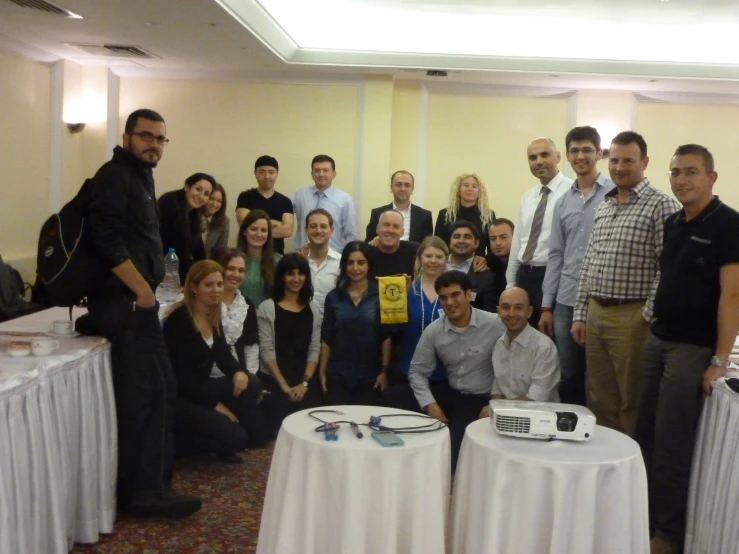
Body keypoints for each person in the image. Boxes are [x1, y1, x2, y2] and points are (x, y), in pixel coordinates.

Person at [84, 108, 200, 517]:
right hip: (127, 305)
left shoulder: (140, 177)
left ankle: (147, 488)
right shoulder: (114, 176)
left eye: (160, 138)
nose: (154, 144)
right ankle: (145, 493)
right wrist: (142, 293)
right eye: (146, 136)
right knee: (150, 396)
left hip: (136, 302)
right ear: (128, 136)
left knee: (156, 394)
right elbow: (108, 241)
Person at [634, 144, 739, 554]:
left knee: (672, 445)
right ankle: (640, 517)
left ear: (711, 177)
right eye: (675, 172)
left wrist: (718, 359)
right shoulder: (674, 221)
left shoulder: (729, 224)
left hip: (693, 349)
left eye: (691, 172)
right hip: (658, 339)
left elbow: (732, 296)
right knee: (644, 434)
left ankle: (668, 536)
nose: (681, 179)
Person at [571, 131, 680, 438]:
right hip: (596, 314)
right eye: (615, 160)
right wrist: (581, 313)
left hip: (632, 316)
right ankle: (604, 464)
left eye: (628, 160)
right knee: (599, 396)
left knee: (631, 400)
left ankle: (628, 470)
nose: (619, 167)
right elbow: (589, 262)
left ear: (644, 162)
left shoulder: (661, 205)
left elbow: (666, 268)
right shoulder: (604, 206)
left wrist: (644, 316)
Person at [163, 261, 271, 462]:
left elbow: (224, 357)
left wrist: (239, 371)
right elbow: (181, 378)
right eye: (209, 285)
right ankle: (178, 442)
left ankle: (221, 431)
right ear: (194, 287)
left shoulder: (212, 315)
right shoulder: (179, 321)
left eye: (219, 284)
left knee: (251, 382)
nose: (216, 290)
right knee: (237, 440)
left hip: (202, 389)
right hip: (181, 397)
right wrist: (215, 405)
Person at [539, 126, 615, 406]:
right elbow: (556, 255)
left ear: (599, 153)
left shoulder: (615, 194)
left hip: (601, 301)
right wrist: (547, 306)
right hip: (566, 301)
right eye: (574, 150)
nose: (580, 156)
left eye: (586, 149)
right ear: (567, 156)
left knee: (599, 376)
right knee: (568, 374)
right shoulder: (562, 202)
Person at [409, 270, 505, 469]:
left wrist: (496, 403)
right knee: (396, 401)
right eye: (443, 297)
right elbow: (417, 371)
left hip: (485, 397)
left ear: (468, 295)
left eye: (455, 295)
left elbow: (511, 366)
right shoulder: (434, 331)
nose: (450, 302)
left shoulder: (495, 324)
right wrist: (430, 405)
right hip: (452, 393)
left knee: (456, 452)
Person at [506, 138, 573, 328]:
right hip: (524, 275)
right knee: (522, 336)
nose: (539, 161)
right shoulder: (528, 196)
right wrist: (511, 283)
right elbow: (518, 242)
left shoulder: (572, 192)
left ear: (558, 156)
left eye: (545, 155)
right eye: (532, 157)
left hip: (554, 277)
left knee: (550, 337)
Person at [319, 241, 391, 406]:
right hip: (338, 374)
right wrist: (322, 373)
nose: (355, 268)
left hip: (370, 376)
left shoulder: (381, 295)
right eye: (350, 263)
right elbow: (327, 338)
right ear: (344, 265)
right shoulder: (333, 297)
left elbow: (386, 336)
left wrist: (384, 371)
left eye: (361, 262)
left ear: (369, 265)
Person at [257, 254, 323, 428]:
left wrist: (305, 383)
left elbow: (314, 348)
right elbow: (266, 350)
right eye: (290, 274)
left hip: (304, 380)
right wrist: (284, 386)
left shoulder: (313, 310)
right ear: (282, 277)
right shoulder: (267, 308)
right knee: (280, 423)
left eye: (300, 274)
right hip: (275, 379)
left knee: (311, 423)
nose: (296, 279)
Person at [384, 236, 449, 411]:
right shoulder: (407, 289)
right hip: (407, 370)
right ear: (420, 258)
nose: (433, 261)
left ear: (446, 259)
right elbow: (392, 330)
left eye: (439, 256)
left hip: (443, 374)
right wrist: (400, 301)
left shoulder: (452, 293)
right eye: (428, 256)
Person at [480, 287, 560, 418]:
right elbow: (498, 390)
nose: (511, 313)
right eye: (505, 307)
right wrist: (495, 413)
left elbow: (537, 399)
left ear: (529, 312)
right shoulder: (499, 345)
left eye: (518, 307)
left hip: (541, 419)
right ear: (498, 311)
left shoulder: (544, 347)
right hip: (504, 416)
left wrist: (495, 409)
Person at [158, 173, 215, 283]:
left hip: (169, 267)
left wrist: (206, 271)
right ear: (187, 187)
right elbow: (180, 247)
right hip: (157, 267)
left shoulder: (193, 212)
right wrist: (186, 282)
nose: (201, 196)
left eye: (206, 194)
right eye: (198, 189)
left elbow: (198, 247)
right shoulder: (171, 203)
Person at [292, 154, 357, 251]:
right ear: (312, 174)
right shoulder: (300, 195)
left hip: (333, 258)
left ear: (334, 174)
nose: (321, 174)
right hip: (303, 257)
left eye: (325, 170)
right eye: (317, 170)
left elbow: (350, 235)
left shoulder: (345, 200)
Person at [211, 247, 259, 374]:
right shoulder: (207, 303)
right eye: (231, 269)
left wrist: (251, 377)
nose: (236, 275)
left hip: (239, 373)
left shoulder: (247, 305)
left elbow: (251, 346)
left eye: (241, 270)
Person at [235, 155, 294, 255]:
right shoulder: (245, 197)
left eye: (271, 172)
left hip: (276, 256)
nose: (267, 176)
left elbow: (287, 231)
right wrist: (276, 224)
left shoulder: (285, 201)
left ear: (276, 174)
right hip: (248, 255)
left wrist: (255, 226)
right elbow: (244, 225)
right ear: (255, 173)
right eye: (262, 172)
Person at [434, 173, 496, 257]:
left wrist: (487, 262)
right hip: (450, 263)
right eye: (466, 185)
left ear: (480, 192)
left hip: (478, 263)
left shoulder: (488, 215)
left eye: (474, 186)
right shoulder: (445, 214)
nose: (470, 189)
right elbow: (438, 244)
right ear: (458, 190)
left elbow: (491, 246)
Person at [365, 170, 433, 243]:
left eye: (407, 185)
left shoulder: (425, 216)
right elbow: (368, 242)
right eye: (398, 184)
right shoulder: (377, 213)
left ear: (412, 189)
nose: (402, 189)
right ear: (391, 187)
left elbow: (427, 245)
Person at [447, 220, 499, 312]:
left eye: (467, 237)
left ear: (477, 243)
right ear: (449, 241)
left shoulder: (487, 277)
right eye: (456, 236)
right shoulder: (436, 266)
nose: (461, 241)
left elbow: (489, 315)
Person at [236, 209, 282, 307]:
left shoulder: (279, 261)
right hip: (237, 318)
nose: (259, 234)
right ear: (244, 231)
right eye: (253, 229)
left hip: (267, 318)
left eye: (264, 230)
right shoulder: (233, 260)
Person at [302, 208, 341, 316]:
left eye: (323, 226)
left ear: (331, 231)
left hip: (331, 328)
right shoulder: (297, 263)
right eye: (313, 226)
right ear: (306, 230)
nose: (318, 231)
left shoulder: (341, 263)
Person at [366, 210, 419, 278]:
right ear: (377, 228)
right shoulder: (365, 253)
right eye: (386, 225)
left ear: (402, 232)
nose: (390, 230)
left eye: (396, 226)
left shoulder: (415, 252)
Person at [202, 182, 230, 258]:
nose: (214, 204)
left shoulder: (224, 222)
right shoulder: (190, 216)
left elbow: (221, 252)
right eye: (211, 199)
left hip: (207, 266)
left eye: (219, 201)